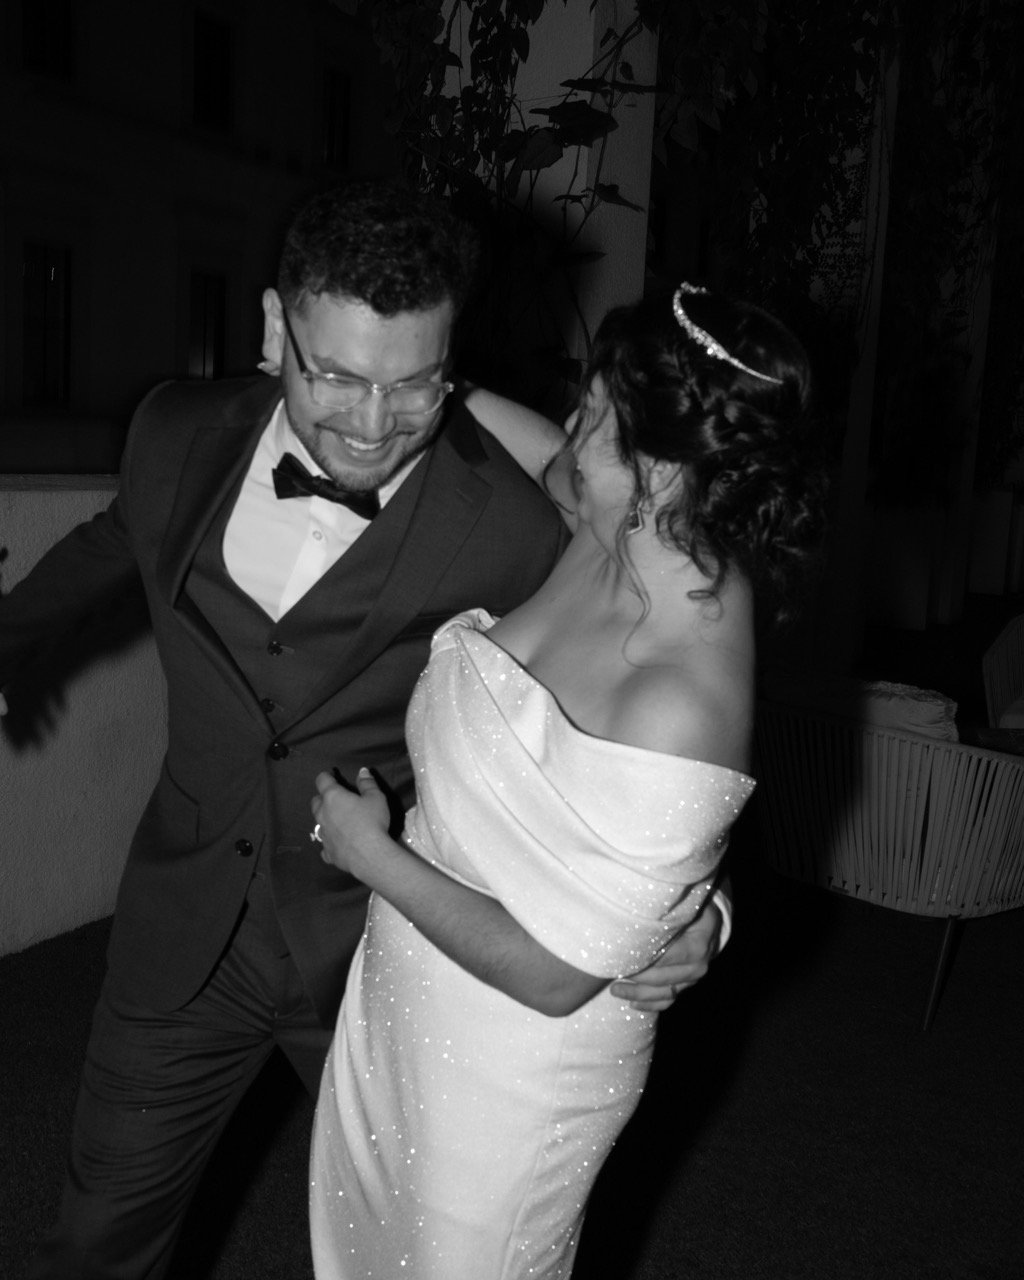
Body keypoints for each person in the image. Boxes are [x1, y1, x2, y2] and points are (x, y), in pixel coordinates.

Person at [0, 181, 723, 1280]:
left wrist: (693, 906)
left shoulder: (513, 522)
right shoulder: (174, 434)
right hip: (181, 936)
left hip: (386, 952)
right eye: (333, 373)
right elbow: (111, 544)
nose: (370, 424)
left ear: (452, 364)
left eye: (412, 384)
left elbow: (656, 655)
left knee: (410, 1249)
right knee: (95, 1243)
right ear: (269, 327)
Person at [308, 282, 826, 1280]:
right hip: (406, 1012)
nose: (567, 435)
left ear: (664, 470)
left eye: (593, 418)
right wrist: (412, 381)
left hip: (512, 1078)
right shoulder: (614, 529)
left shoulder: (684, 687)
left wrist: (370, 851)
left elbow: (556, 975)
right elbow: (524, 434)